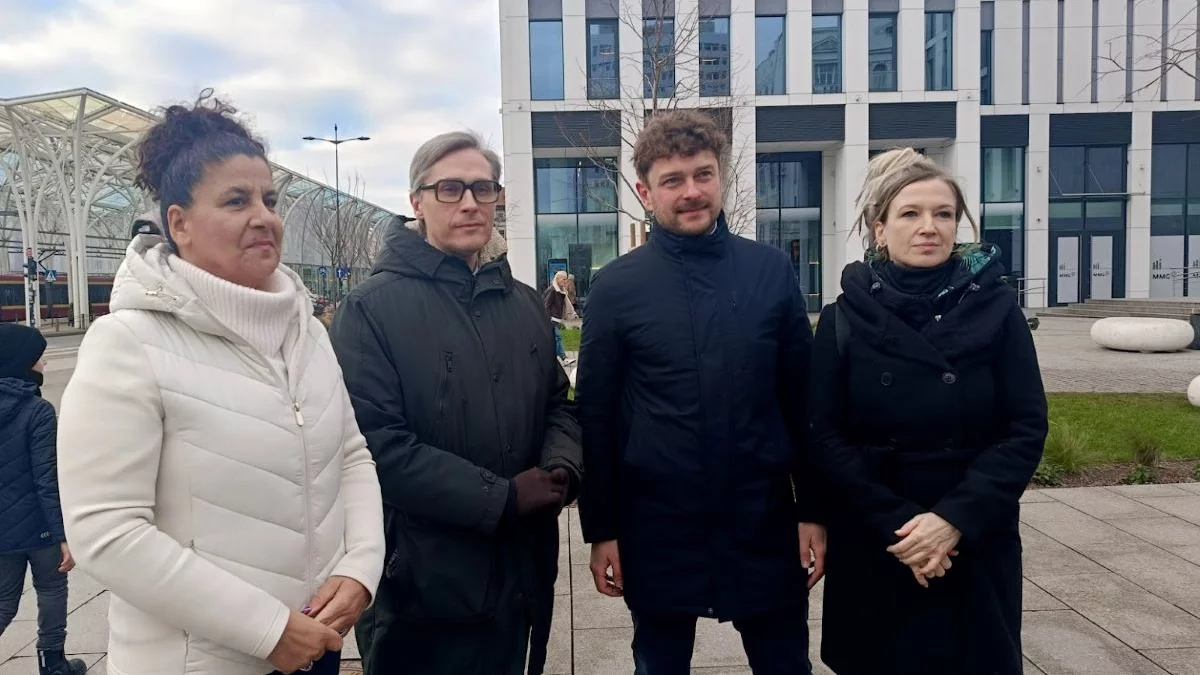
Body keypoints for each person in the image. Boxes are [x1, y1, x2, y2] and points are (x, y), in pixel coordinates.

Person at [55, 91, 385, 675]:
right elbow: (105, 531)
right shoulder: (127, 342)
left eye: (269, 199)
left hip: (316, 646)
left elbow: (351, 456)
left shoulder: (306, 333)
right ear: (178, 223)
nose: (264, 216)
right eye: (236, 200)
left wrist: (360, 569)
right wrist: (266, 628)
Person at [576, 109, 823, 674]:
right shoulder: (616, 287)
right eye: (673, 180)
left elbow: (803, 400)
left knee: (786, 665)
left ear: (721, 177)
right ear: (645, 192)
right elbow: (596, 415)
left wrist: (813, 510)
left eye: (703, 174)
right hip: (658, 528)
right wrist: (602, 530)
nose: (691, 191)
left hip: (763, 522)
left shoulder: (770, 271)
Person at [328, 130, 583, 675]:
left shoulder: (523, 304)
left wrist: (562, 465)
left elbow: (558, 404)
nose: (469, 202)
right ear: (417, 202)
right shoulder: (370, 310)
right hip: (424, 588)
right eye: (449, 189)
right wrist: (502, 498)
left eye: (482, 188)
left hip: (521, 575)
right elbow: (378, 448)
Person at [808, 148, 1048, 675]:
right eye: (910, 213)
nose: (929, 227)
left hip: (972, 531)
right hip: (879, 535)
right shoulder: (842, 318)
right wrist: (905, 530)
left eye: (943, 214)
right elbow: (824, 436)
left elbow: (1026, 427)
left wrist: (952, 521)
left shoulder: (999, 311)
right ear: (879, 228)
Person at [0, 325, 86, 675]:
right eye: (38, 357)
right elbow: (46, 479)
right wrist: (63, 534)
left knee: (4, 602)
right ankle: (53, 663)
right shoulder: (38, 411)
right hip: (39, 525)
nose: (44, 363)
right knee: (51, 589)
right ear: (22, 361)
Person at [542, 270, 575, 364]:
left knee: (555, 339)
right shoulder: (553, 290)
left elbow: (566, 305)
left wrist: (572, 313)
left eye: (566, 279)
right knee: (558, 337)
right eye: (563, 279)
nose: (565, 281)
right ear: (557, 279)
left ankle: (551, 359)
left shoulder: (561, 291)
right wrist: (548, 318)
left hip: (556, 319)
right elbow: (546, 305)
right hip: (551, 319)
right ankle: (563, 358)